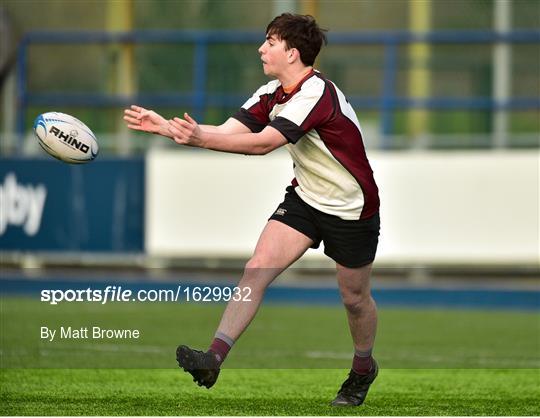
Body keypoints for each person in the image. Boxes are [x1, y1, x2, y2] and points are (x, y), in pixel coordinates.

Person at [123, 13, 380, 407]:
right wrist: (170, 129)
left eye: (270, 42)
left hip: (351, 207)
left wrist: (198, 139)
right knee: (256, 267)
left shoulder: (315, 93)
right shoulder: (272, 93)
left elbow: (262, 144)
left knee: (354, 298)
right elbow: (229, 131)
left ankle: (362, 369)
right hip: (307, 198)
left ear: (292, 53)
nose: (262, 48)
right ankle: (214, 357)